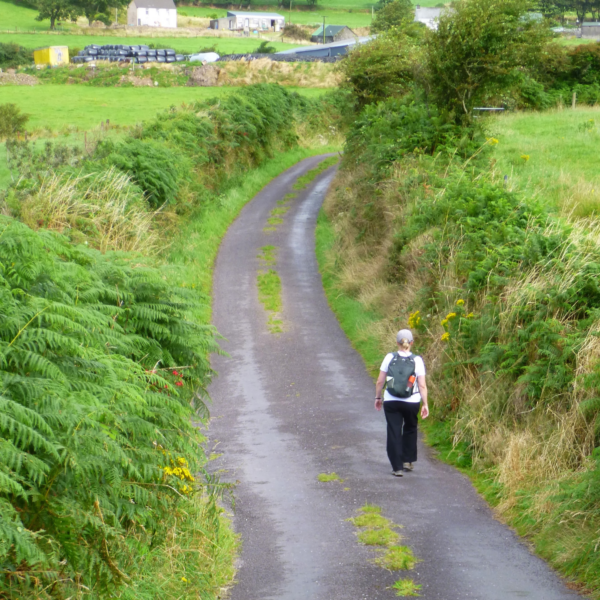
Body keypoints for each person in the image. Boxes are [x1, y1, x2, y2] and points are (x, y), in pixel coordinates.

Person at [374, 329, 429, 477]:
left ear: (397, 343)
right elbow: (422, 385)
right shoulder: (417, 360)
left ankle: (397, 467)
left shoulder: (389, 357)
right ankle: (407, 460)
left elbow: (380, 381)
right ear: (412, 343)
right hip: (412, 401)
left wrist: (378, 398)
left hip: (392, 400)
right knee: (410, 428)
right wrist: (425, 404)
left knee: (394, 431)